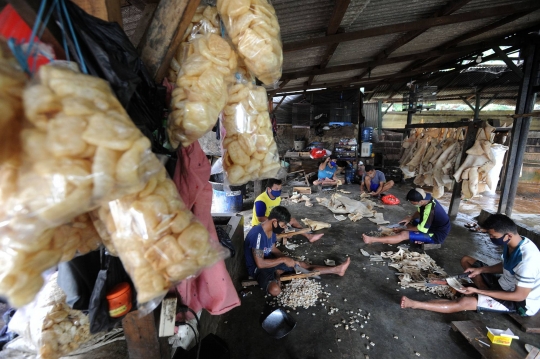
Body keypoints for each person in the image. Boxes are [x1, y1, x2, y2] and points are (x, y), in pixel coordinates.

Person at [401, 214, 540, 316]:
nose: (491, 239)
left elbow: (519, 296)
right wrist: (480, 270)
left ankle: (414, 304)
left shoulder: (528, 260)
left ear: (508, 235)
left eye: (494, 237)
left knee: (465, 302)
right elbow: (506, 266)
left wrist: (478, 291)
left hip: (520, 302)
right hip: (504, 284)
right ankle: (483, 291)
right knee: (467, 260)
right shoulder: (514, 242)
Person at [245, 206, 351, 296]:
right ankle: (277, 272)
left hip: (269, 260)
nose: (283, 228)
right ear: (274, 221)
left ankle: (337, 270)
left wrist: (288, 260)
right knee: (275, 290)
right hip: (257, 268)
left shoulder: (272, 229)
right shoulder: (258, 235)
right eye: (282, 225)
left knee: (301, 265)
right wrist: (283, 259)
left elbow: (272, 248)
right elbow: (260, 264)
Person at [362, 188, 450, 245]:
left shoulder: (430, 211)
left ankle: (372, 239)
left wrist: (403, 229)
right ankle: (396, 231)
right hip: (433, 225)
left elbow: (421, 229)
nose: (412, 204)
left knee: (403, 234)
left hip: (436, 234)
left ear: (421, 202)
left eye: (413, 203)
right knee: (407, 222)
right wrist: (410, 217)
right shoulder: (426, 198)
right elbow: (419, 212)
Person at [252, 178, 324, 243]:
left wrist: (283, 223)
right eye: (276, 189)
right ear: (269, 189)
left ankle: (309, 236)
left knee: (292, 220)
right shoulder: (261, 201)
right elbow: (260, 218)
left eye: (280, 189)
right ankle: (284, 234)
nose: (278, 191)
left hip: (273, 221)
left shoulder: (277, 197)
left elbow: (277, 211)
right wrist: (279, 224)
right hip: (261, 225)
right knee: (283, 227)